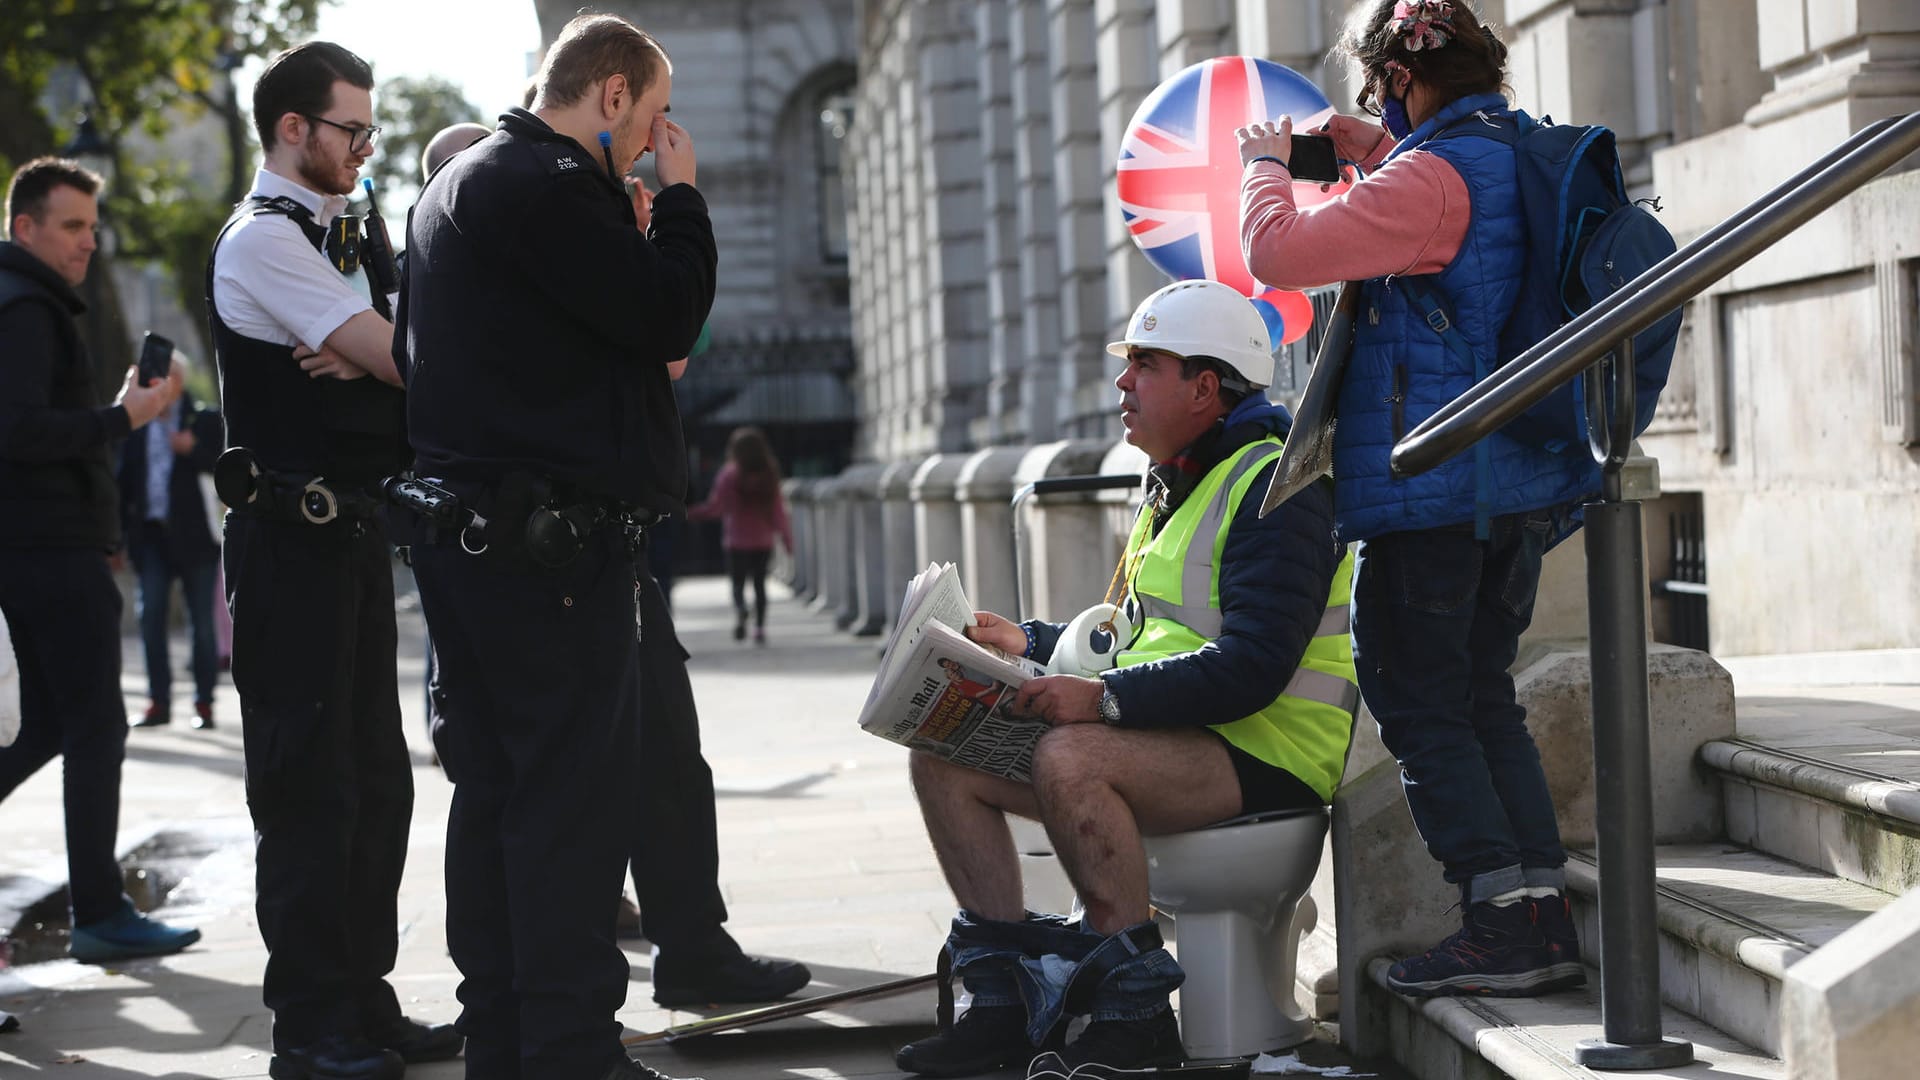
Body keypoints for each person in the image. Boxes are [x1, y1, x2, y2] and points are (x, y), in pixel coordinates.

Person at [895, 279, 1356, 1076]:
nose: (1122, 382)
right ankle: (1001, 1003)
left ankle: (1135, 1013)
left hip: (1267, 755)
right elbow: (1137, 635)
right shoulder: (1177, 477)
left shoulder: (1275, 486)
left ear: (1206, 387)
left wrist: (1101, 701)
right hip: (1177, 736)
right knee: (944, 750)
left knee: (1071, 758)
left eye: (1145, 363)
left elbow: (1253, 664)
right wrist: (1031, 644)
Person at [1236, 0, 1593, 998]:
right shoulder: (1495, 152)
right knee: (1483, 699)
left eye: (1377, 88)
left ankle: (1496, 916)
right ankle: (1537, 913)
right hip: (1499, 488)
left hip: (1434, 493)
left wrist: (1265, 163)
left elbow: (1278, 256)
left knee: (1419, 700)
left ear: (1395, 77)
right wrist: (1369, 148)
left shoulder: (1431, 179)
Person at [398, 13, 717, 1079]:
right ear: (612, 92)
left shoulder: (453, 188)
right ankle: (573, 1049)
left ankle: (505, 1040)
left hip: (473, 545)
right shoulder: (547, 183)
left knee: (495, 800)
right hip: (551, 560)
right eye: (654, 115)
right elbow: (667, 314)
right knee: (569, 810)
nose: (655, 137)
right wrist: (677, 202)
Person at [208, 41, 459, 1078]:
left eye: (369, 129)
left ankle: (364, 1005)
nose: (365, 146)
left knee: (373, 790)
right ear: (292, 131)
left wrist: (383, 343)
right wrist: (383, 349)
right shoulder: (262, 242)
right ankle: (310, 1030)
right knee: (310, 793)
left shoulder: (344, 231)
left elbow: (412, 356)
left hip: (349, 540)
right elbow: (414, 362)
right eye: (351, 128)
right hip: (286, 543)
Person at [0, 156, 201, 964]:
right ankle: (99, 911)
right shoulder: (24, 310)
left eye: (92, 225)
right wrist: (125, 418)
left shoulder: (30, 304)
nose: (89, 243)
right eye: (73, 226)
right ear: (26, 228)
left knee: (48, 722)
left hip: (42, 543)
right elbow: (18, 432)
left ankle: (99, 907)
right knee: (95, 724)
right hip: (46, 549)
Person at [617, 182, 811, 1009]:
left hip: (615, 548)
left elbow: (669, 347)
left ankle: (690, 947)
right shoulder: (514, 232)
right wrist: (678, 211)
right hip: (543, 562)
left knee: (669, 761)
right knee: (561, 779)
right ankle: (554, 1007)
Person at [119, 361, 223, 731]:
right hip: (151, 538)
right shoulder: (136, 424)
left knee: (202, 625)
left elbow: (228, 470)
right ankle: (157, 702)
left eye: (167, 379)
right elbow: (123, 481)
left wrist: (193, 450)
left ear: (178, 383)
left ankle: (204, 703)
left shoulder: (204, 420)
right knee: (151, 619)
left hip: (196, 539)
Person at [686, 426, 791, 644]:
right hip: (763, 540)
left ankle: (741, 609)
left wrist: (691, 513)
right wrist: (787, 539)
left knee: (738, 584)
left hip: (736, 540)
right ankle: (760, 629)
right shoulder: (770, 473)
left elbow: (716, 507)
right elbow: (778, 510)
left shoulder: (729, 474)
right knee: (760, 585)